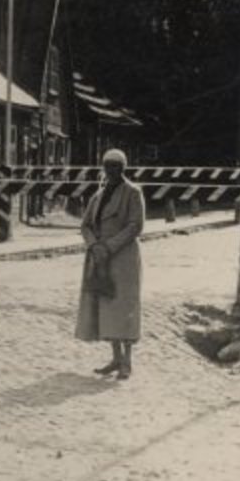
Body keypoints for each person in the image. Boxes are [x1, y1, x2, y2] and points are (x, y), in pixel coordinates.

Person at [76, 148, 145, 379]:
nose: (111, 171)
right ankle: (115, 358)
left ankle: (127, 361)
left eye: (116, 166)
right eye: (107, 166)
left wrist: (109, 246)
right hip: (99, 257)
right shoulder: (98, 195)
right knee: (106, 307)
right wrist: (94, 245)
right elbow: (85, 225)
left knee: (123, 306)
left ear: (123, 168)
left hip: (122, 258)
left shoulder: (133, 193)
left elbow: (135, 225)